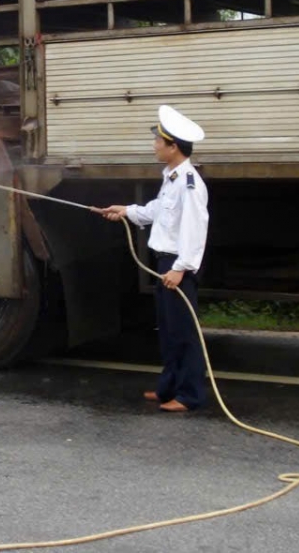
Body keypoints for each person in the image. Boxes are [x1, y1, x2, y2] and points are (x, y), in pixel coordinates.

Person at [93, 105, 209, 414]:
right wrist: (125, 211)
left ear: (173, 147)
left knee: (184, 333)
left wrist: (180, 269)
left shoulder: (190, 183)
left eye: (159, 141)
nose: (154, 145)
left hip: (175, 266)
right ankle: (168, 387)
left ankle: (190, 395)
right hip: (165, 264)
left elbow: (195, 230)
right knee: (168, 330)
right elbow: (157, 210)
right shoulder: (171, 178)